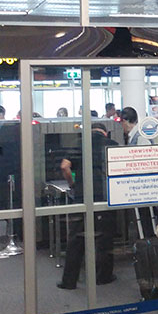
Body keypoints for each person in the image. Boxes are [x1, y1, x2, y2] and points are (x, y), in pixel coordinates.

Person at [56, 123, 118, 289]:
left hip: (83, 196)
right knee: (105, 237)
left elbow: (64, 166)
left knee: (76, 238)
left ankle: (69, 281)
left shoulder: (80, 144)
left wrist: (73, 184)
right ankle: (103, 276)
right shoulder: (112, 145)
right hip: (105, 196)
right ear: (104, 132)